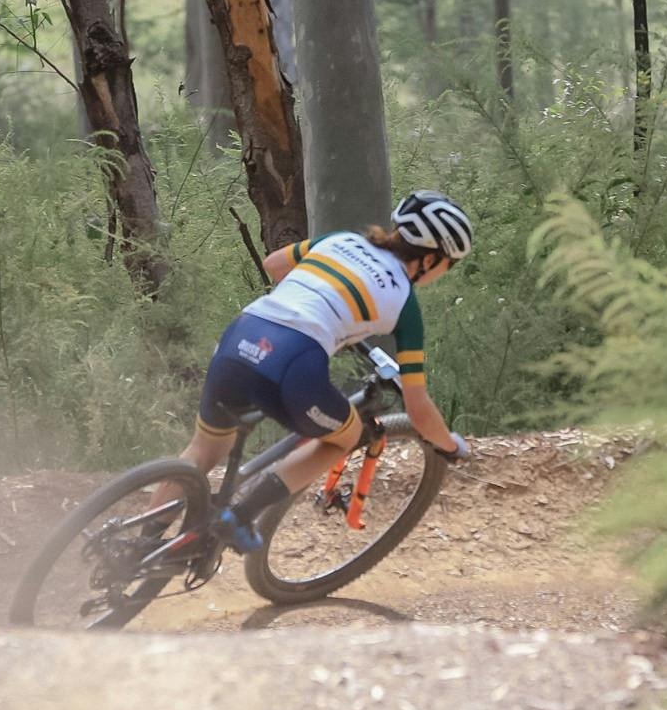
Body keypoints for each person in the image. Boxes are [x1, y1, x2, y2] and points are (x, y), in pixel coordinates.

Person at [155, 190, 474, 550]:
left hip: (242, 333)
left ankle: (138, 547)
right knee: (346, 437)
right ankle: (241, 514)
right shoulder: (404, 304)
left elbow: (274, 264)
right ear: (431, 259)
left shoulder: (342, 241)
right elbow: (417, 408)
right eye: (450, 263)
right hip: (292, 360)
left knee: (202, 450)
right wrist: (449, 446)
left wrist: (324, 299)